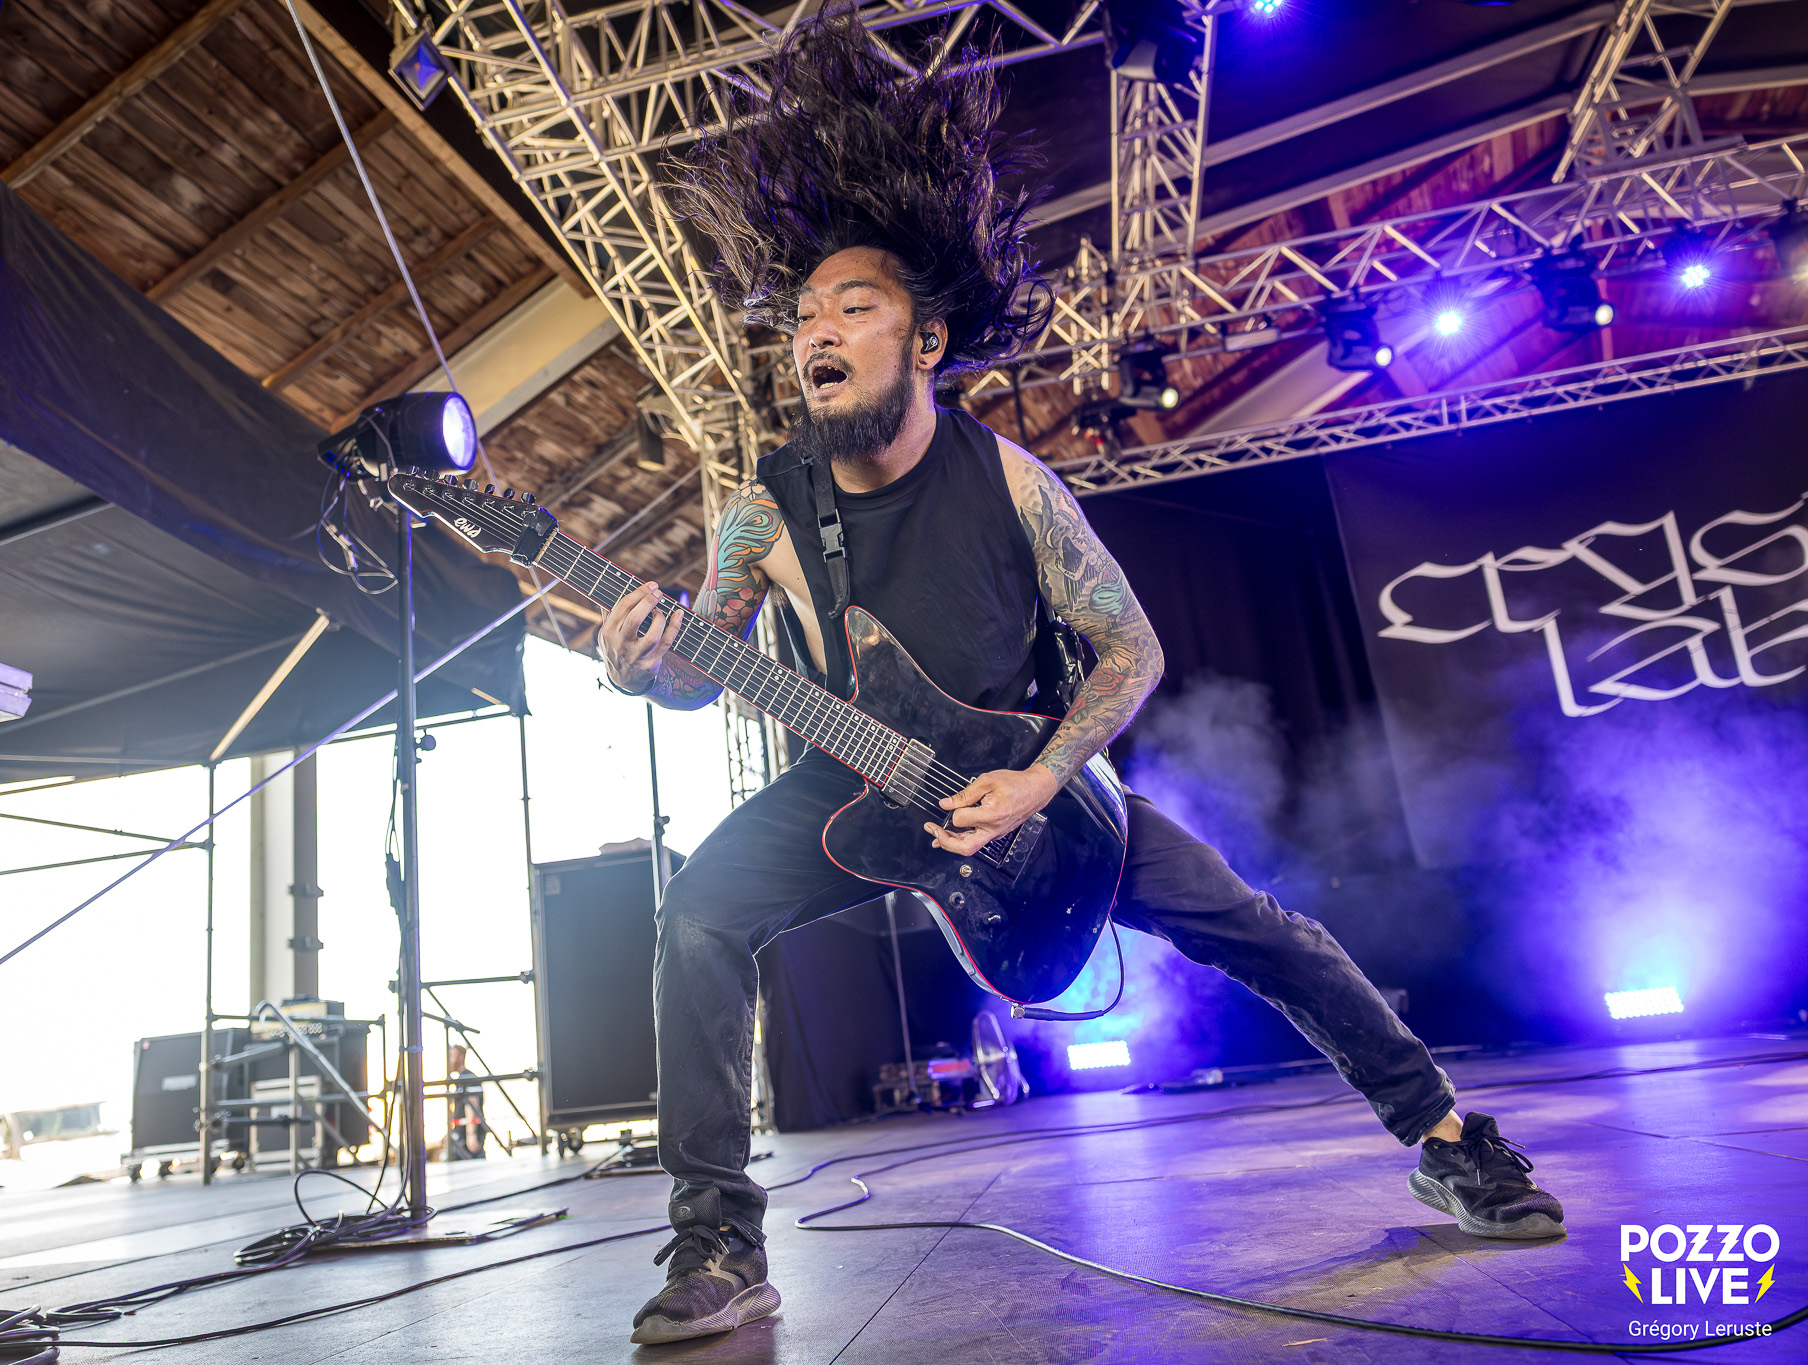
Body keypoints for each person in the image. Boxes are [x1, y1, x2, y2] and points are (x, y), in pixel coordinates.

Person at [597, 12, 1564, 1347]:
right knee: (699, 914)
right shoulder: (766, 506)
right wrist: (647, 671)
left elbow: (1132, 650)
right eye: (806, 314)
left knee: (1258, 929)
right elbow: (700, 669)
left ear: (925, 340)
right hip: (846, 783)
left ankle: (1449, 1139)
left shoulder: (1009, 480)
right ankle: (716, 1236)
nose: (817, 328)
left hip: (1043, 790)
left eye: (854, 307)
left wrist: (1040, 777)